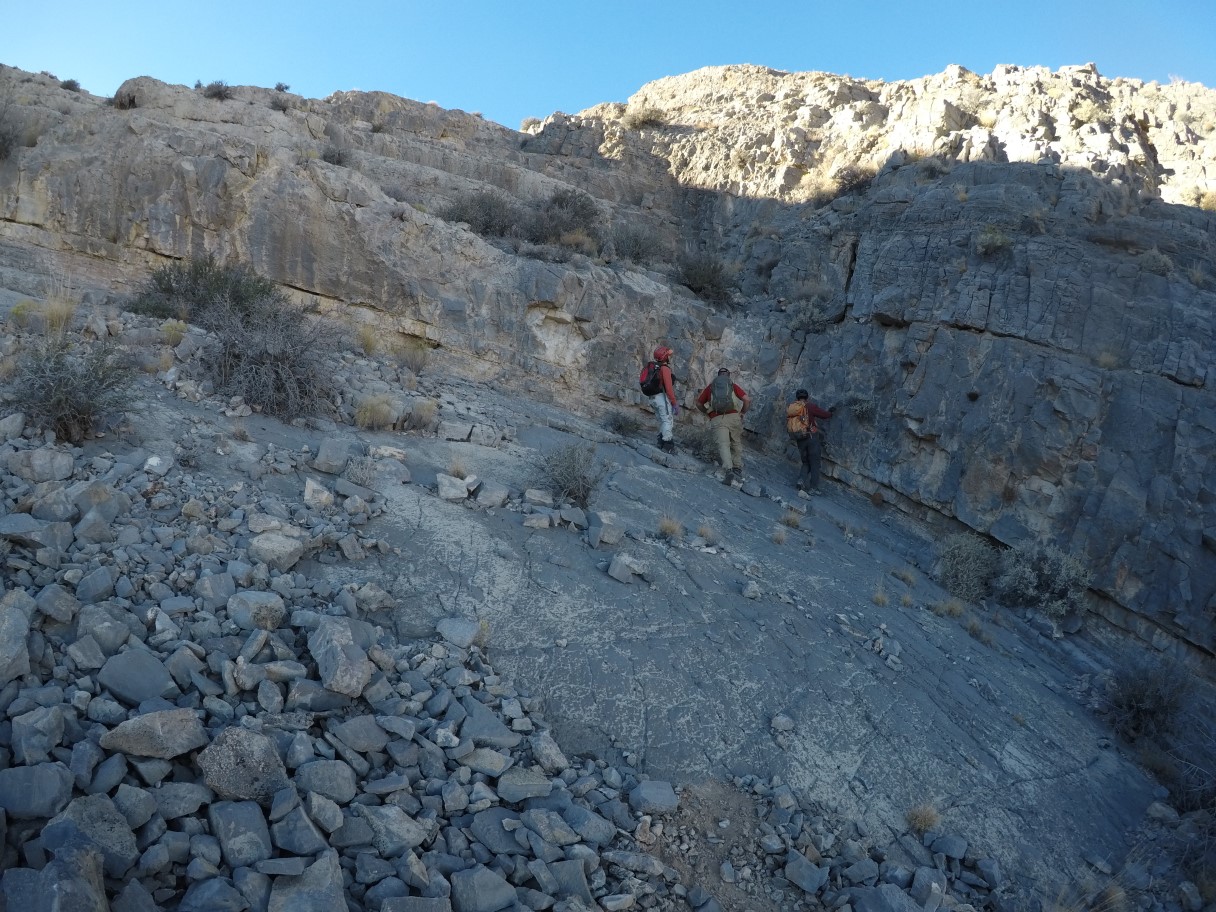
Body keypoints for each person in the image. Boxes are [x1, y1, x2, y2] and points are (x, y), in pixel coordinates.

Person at [696, 368, 751, 484]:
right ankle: (737, 468)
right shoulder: (732, 385)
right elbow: (747, 400)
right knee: (735, 442)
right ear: (728, 376)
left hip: (717, 418)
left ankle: (728, 470)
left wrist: (707, 412)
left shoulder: (711, 387)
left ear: (718, 376)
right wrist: (742, 413)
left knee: (723, 444)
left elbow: (699, 403)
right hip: (733, 417)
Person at [786, 388, 834, 497]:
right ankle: (813, 488)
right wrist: (830, 413)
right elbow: (824, 415)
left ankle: (800, 481)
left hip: (800, 439)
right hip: (812, 438)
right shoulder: (810, 406)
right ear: (807, 397)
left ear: (797, 397)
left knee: (806, 462)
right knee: (815, 464)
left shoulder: (792, 408)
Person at [648, 346, 678, 453]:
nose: (670, 357)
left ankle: (660, 441)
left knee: (662, 420)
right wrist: (674, 403)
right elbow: (669, 389)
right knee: (668, 421)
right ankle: (667, 446)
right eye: (669, 355)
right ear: (665, 357)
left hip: (652, 398)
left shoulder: (655, 368)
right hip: (661, 398)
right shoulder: (664, 369)